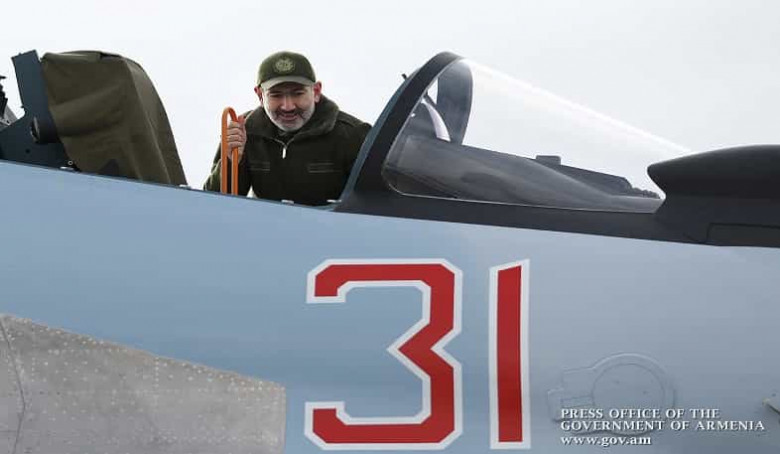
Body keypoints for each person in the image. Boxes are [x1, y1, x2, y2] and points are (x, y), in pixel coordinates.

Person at [203, 51, 371, 205]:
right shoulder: (243, 132)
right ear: (260, 95)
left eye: (298, 93)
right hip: (265, 227)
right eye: (276, 95)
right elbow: (214, 206)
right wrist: (231, 161)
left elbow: (373, 204)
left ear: (316, 91)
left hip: (331, 227)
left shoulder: (354, 135)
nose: (288, 106)